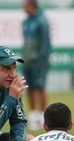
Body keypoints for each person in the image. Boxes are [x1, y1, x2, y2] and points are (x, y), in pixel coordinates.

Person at [22, 0, 52, 131]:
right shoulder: (26, 22)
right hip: (28, 60)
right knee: (30, 88)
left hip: (39, 61)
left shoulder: (41, 21)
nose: (23, 7)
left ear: (32, 6)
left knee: (40, 87)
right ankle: (33, 116)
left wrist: (42, 59)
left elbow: (46, 42)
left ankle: (43, 117)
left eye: (25, 5)